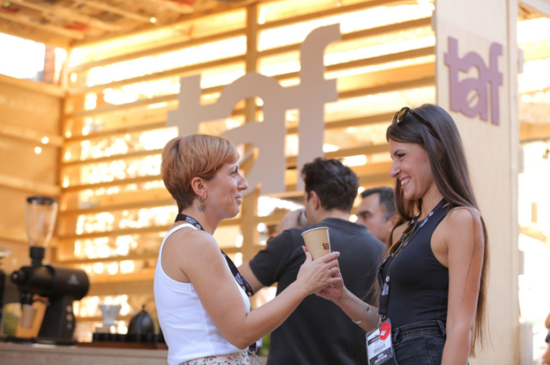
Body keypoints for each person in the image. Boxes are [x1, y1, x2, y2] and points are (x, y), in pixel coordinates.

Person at [317, 104, 489, 365]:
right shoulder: (402, 232)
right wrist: (341, 295)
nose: (393, 170)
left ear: (437, 151)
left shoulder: (461, 220)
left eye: (401, 155)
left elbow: (459, 327)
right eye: (392, 158)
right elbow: (388, 325)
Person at [154, 135, 341, 365]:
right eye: (233, 172)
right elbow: (240, 332)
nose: (244, 183)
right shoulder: (196, 242)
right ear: (200, 186)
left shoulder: (188, 238)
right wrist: (303, 285)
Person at [239, 158, 385, 365]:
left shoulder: (293, 240)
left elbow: (235, 285)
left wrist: (282, 237)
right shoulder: (381, 250)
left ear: (314, 199)